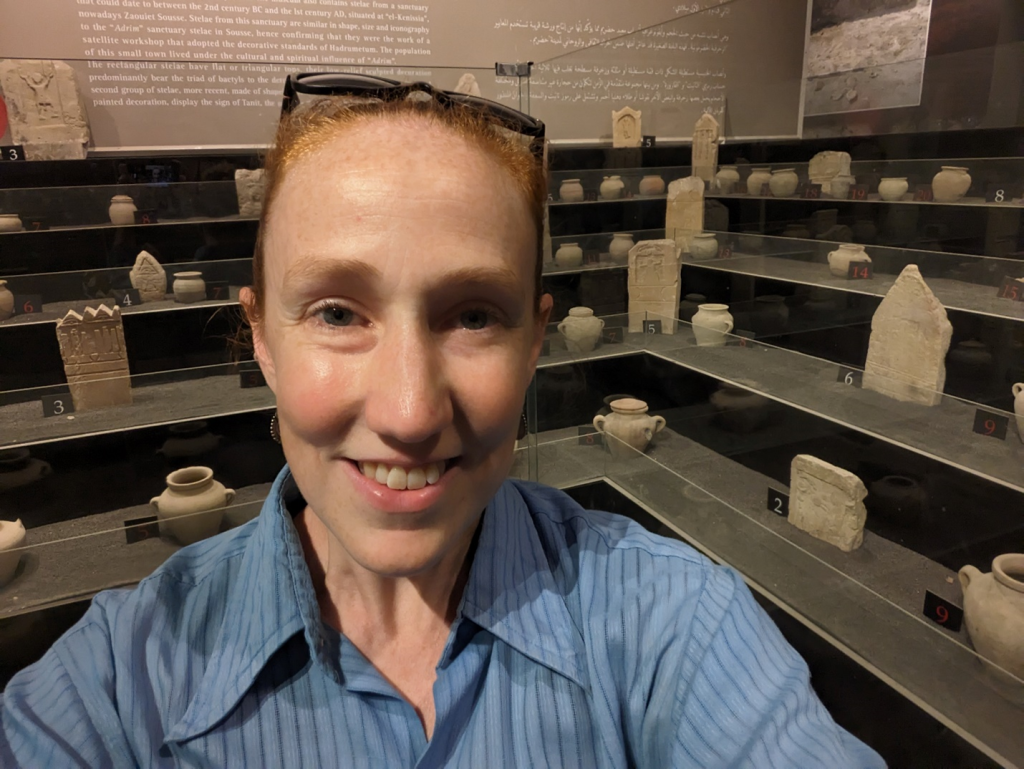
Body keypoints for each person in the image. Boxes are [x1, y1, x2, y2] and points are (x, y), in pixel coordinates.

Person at [1, 76, 885, 768]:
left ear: (537, 340)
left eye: (471, 316)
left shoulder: (674, 627)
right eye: (338, 314)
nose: (411, 412)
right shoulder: (116, 686)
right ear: (260, 337)